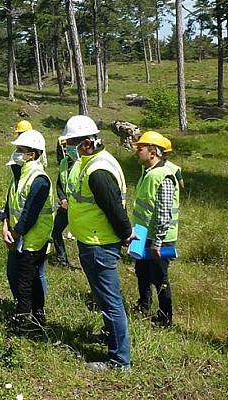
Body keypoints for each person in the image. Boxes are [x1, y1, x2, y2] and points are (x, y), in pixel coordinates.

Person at [62, 115, 132, 371]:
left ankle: (120, 360)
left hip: (99, 243)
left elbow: (114, 208)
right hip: (90, 239)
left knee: (110, 300)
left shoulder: (98, 170)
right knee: (103, 298)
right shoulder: (89, 163)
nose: (68, 147)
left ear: (87, 143)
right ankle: (110, 337)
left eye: (71, 143)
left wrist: (126, 234)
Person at [2, 129, 54, 334]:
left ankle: (24, 322)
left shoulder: (39, 179)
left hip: (33, 239)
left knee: (25, 283)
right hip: (17, 236)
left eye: (20, 150)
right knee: (15, 276)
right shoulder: (19, 174)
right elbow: (10, 203)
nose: (16, 153)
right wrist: (5, 225)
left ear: (32, 154)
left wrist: (15, 234)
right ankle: (35, 314)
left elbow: (31, 213)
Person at [131, 131, 180, 327]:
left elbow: (163, 213)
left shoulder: (164, 176)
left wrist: (158, 241)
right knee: (141, 271)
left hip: (160, 238)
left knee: (160, 277)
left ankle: (164, 317)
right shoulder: (149, 172)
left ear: (153, 152)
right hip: (144, 234)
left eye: (140, 149)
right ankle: (144, 304)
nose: (137, 152)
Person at [52, 135, 74, 268]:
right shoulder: (64, 162)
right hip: (65, 206)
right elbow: (60, 183)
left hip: (80, 209)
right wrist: (63, 199)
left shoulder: (82, 164)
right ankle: (62, 259)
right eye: (65, 146)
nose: (67, 148)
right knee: (56, 232)